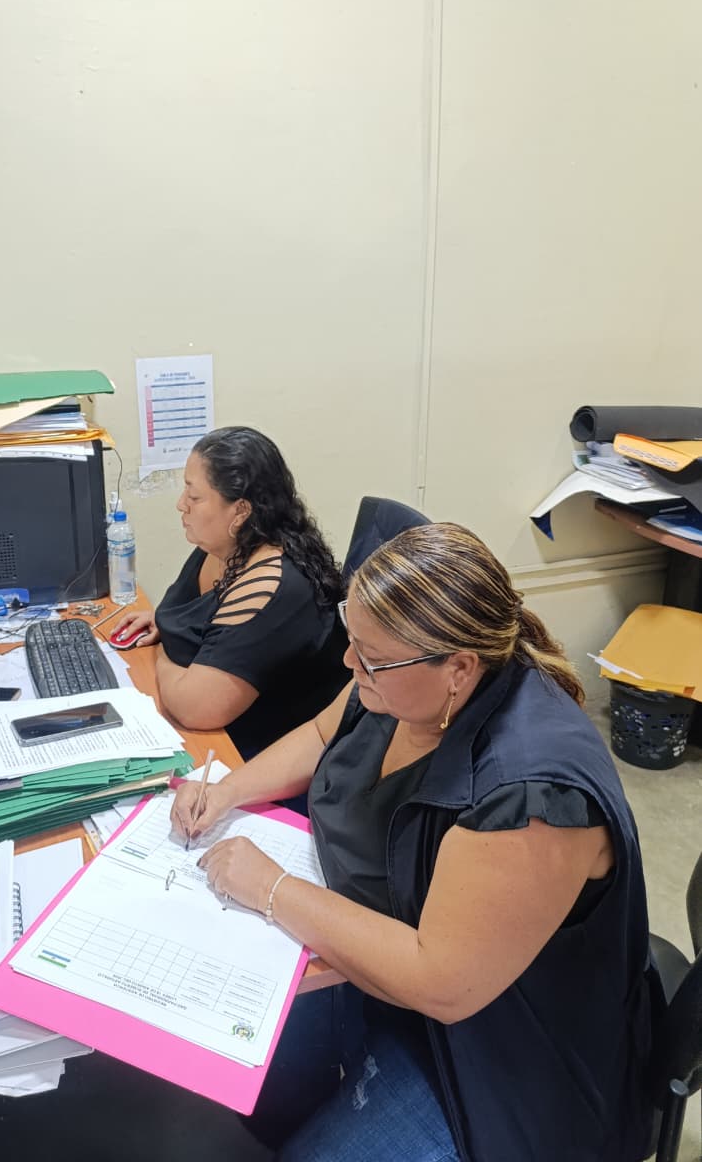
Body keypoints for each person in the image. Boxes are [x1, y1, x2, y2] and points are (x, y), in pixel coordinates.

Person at [171, 522, 659, 1162]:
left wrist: (273, 889)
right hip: (381, 979)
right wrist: (226, 792)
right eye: (352, 640)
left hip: (494, 1054)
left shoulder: (531, 796)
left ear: (458, 668)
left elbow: (441, 983)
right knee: (235, 1079)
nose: (350, 664)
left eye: (369, 656)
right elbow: (322, 735)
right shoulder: (397, 675)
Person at [114, 426, 348, 760]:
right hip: (218, 725)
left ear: (240, 511)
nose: (181, 505)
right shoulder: (225, 546)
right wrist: (166, 623)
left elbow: (195, 708)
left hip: (259, 751)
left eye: (194, 497)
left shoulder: (270, 585)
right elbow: (199, 615)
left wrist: (165, 646)